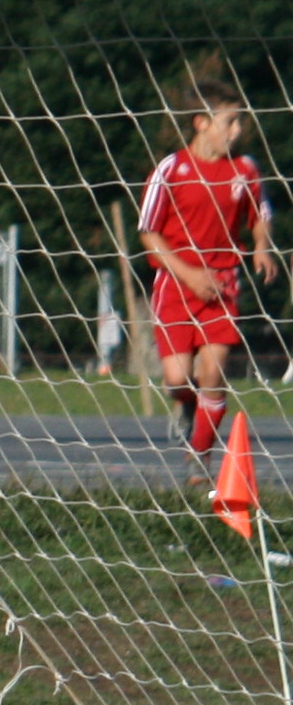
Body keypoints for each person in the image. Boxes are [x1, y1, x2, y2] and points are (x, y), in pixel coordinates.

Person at [139, 76, 279, 456]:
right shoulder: (171, 169)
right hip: (176, 283)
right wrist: (189, 275)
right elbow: (148, 233)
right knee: (178, 378)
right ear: (201, 123)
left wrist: (261, 247)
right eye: (230, 122)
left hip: (222, 283)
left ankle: (199, 461)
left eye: (240, 121)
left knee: (213, 375)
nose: (238, 130)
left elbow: (260, 215)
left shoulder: (245, 169)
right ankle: (187, 404)